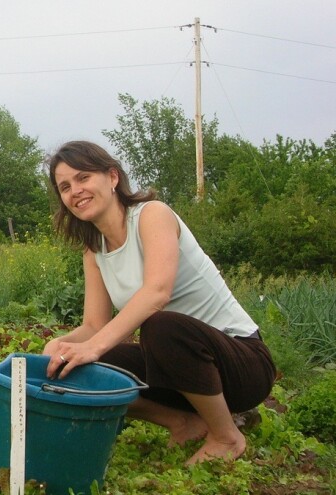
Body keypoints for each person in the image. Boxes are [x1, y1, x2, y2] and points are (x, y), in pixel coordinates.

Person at [42, 141, 276, 465]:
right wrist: (60, 346)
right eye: (65, 187)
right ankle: (183, 422)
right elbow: (94, 325)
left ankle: (226, 436)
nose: (75, 191)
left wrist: (93, 347)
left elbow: (157, 292)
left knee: (158, 325)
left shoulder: (152, 215)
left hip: (242, 364)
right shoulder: (94, 250)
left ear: (112, 177)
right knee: (79, 365)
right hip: (181, 372)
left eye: (83, 177)